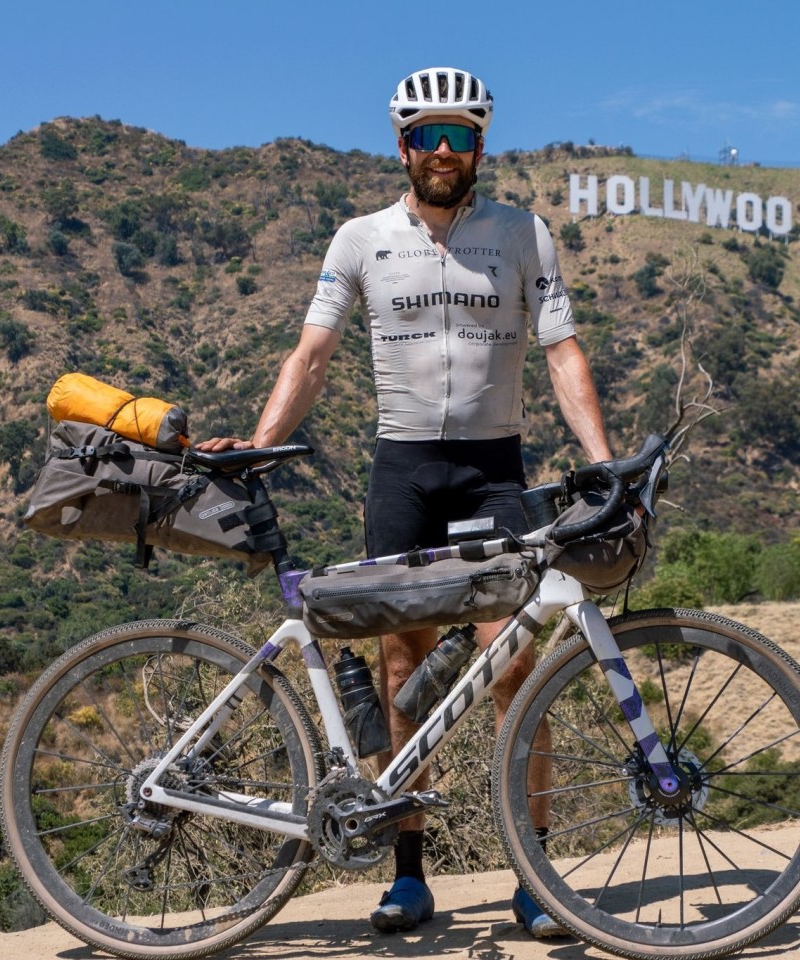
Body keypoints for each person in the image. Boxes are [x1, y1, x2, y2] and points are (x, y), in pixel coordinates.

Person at [196, 66, 612, 939]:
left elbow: (564, 354)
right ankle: (408, 874)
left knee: (513, 666)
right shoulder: (360, 239)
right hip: (404, 471)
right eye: (428, 135)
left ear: (481, 146)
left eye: (460, 136)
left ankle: (532, 875)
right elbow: (310, 354)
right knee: (400, 671)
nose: (443, 151)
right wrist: (261, 439)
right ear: (402, 146)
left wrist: (602, 463)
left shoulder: (525, 235)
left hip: (496, 469)